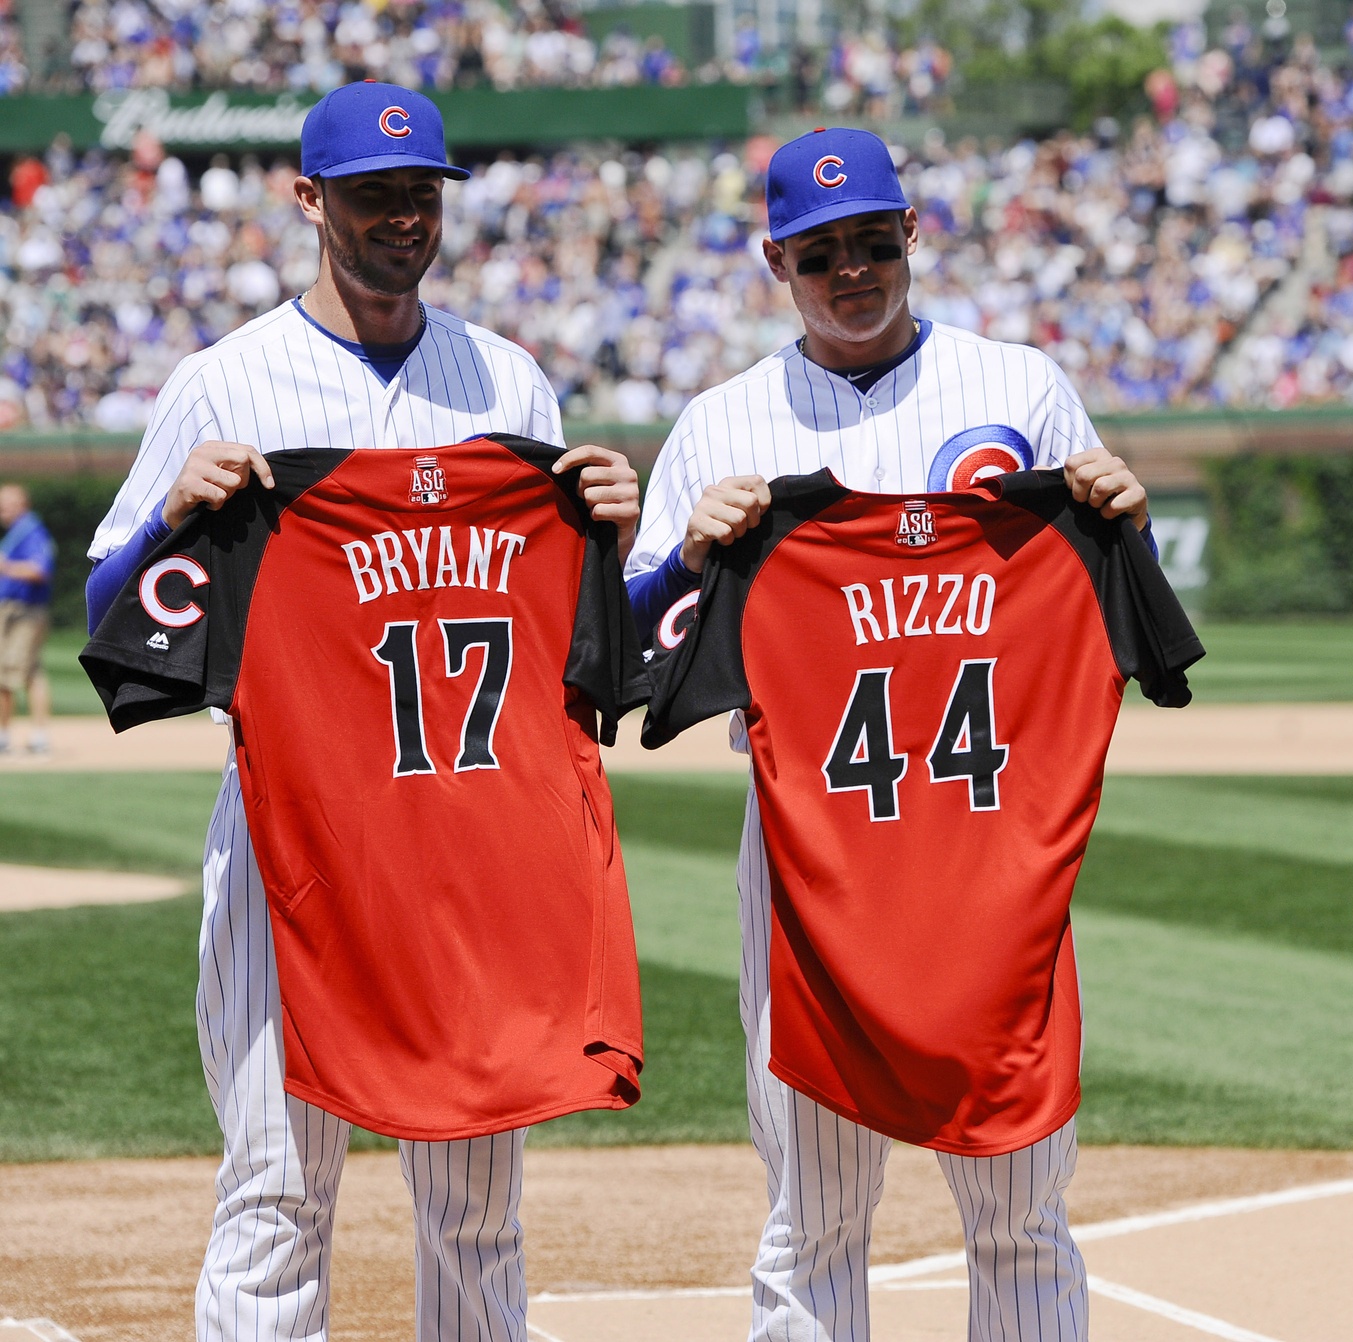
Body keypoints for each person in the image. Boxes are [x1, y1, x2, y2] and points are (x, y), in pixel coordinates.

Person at [86, 82, 640, 1342]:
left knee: (476, 1209)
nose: (404, 216)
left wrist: (610, 525)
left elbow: (577, 641)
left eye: (422, 193)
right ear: (308, 199)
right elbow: (109, 612)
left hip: (473, 847)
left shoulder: (507, 381)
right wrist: (177, 512)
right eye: (375, 193)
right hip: (297, 850)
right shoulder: (225, 382)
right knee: (278, 1191)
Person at [625, 127, 1157, 1342]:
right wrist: (695, 555)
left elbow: (1112, 613)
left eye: (874, 240)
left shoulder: (1018, 388)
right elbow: (626, 664)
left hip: (995, 857)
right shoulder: (722, 424)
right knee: (812, 1217)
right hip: (810, 867)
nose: (852, 269)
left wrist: (1127, 525)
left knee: (1022, 1213)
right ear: (777, 262)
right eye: (822, 254)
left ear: (913, 236)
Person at [0, 482, 55, 755]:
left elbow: (40, 569)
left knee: (8, 672)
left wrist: (6, 567)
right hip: (16, 610)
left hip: (25, 611)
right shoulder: (17, 532)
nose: (2, 510)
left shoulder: (31, 531)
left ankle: (7, 735)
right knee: (31, 671)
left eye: (6, 504)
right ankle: (37, 734)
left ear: (21, 504)